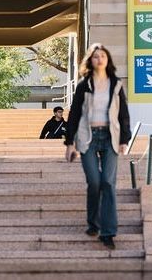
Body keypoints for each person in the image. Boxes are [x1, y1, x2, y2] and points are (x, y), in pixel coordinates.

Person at [64, 43, 131, 250]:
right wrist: (69, 143)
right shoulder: (85, 85)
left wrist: (124, 140)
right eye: (95, 57)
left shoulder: (116, 84)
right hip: (88, 138)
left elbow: (123, 115)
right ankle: (93, 223)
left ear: (108, 60)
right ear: (90, 61)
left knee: (108, 184)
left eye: (102, 56)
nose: (99, 59)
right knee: (94, 182)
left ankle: (108, 232)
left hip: (110, 137)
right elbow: (75, 113)